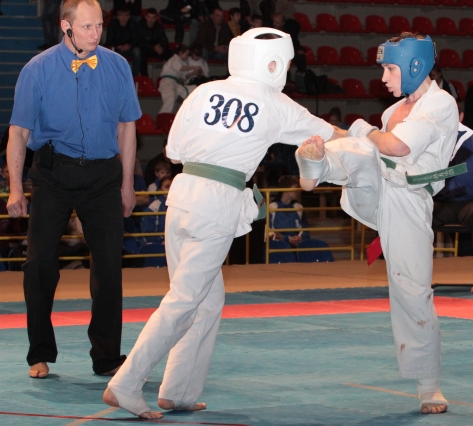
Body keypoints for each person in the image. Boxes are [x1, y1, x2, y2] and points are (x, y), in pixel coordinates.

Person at [103, 27, 346, 419]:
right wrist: (371, 139)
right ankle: (126, 383)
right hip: (216, 203)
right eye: (284, 65)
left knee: (207, 299)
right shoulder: (274, 102)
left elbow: (173, 151)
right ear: (272, 65)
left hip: (182, 196)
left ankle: (178, 390)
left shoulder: (203, 91)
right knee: (185, 300)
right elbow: (331, 134)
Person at [296, 32, 458, 415]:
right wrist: (338, 135)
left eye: (390, 69)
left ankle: (429, 386)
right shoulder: (393, 111)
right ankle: (318, 165)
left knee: (412, 291)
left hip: (409, 201)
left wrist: (360, 130)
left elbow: (397, 147)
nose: (383, 78)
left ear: (415, 65)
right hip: (378, 187)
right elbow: (373, 143)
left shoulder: (440, 103)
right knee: (359, 150)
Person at [6, 0, 141, 378]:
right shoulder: (38, 69)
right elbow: (19, 132)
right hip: (53, 175)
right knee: (39, 265)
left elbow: (127, 126)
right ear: (66, 27)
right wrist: (16, 187)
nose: (95, 34)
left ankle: (106, 356)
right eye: (86, 27)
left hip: (103, 177)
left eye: (99, 25)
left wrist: (127, 183)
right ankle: (39, 353)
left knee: (109, 267)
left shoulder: (118, 65)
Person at [432, 129, 473, 293]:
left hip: (470, 202)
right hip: (440, 203)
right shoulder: (430, 141)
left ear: (460, 117)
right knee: (415, 212)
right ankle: (414, 277)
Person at [268, 176, 310, 247]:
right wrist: (287, 239)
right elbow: (269, 230)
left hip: (297, 243)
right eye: (296, 188)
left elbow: (305, 228)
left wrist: (300, 237)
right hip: (278, 245)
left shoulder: (299, 207)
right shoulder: (272, 207)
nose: (298, 191)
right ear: (286, 190)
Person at [157, 44, 198, 114]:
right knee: (170, 98)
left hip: (176, 83)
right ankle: (162, 116)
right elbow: (180, 68)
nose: (187, 57)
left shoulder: (182, 62)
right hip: (167, 82)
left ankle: (193, 113)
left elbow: (183, 78)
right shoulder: (174, 59)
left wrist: (193, 73)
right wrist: (194, 67)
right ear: (180, 53)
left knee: (194, 89)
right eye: (186, 54)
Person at [137, 8, 172, 76]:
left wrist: (162, 48)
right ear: (145, 17)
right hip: (145, 49)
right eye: (149, 17)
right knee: (141, 53)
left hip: (155, 49)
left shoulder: (159, 27)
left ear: (156, 18)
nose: (151, 20)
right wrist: (153, 47)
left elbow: (164, 41)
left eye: (153, 17)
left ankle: (169, 75)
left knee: (170, 53)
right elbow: (138, 42)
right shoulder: (140, 26)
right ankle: (144, 77)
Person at [106, 9, 141, 75]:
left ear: (129, 17)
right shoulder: (112, 25)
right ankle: (119, 75)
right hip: (117, 48)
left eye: (125, 15)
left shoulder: (133, 25)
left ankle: (135, 76)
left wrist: (130, 45)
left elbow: (136, 39)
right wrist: (118, 46)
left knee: (137, 51)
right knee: (117, 54)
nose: (123, 18)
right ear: (117, 17)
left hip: (130, 48)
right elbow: (109, 40)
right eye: (121, 15)